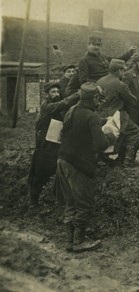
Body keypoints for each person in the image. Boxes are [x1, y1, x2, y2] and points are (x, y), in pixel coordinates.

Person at [56, 82, 116, 252]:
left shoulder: (72, 110)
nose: (99, 103)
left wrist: (101, 121)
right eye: (98, 99)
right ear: (93, 98)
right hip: (78, 165)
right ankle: (79, 241)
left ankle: (69, 240)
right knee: (84, 203)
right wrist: (110, 136)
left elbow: (77, 127)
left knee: (70, 202)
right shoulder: (91, 117)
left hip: (63, 160)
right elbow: (100, 145)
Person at [28, 82, 80, 212]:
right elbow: (63, 104)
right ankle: (33, 203)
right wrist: (78, 94)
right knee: (41, 173)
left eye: (57, 92)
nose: (56, 94)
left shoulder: (56, 108)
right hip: (45, 147)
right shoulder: (47, 106)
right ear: (47, 95)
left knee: (57, 171)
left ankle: (59, 201)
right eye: (53, 92)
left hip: (54, 144)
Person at [97, 59, 139, 167]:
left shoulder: (100, 81)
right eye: (122, 70)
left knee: (105, 136)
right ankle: (128, 161)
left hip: (100, 114)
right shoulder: (119, 84)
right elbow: (131, 100)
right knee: (134, 131)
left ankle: (103, 159)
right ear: (119, 70)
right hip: (115, 115)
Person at [122, 53, 139, 144]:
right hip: (131, 108)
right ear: (134, 63)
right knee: (131, 133)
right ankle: (126, 156)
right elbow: (125, 89)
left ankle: (133, 153)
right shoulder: (128, 75)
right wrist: (133, 99)